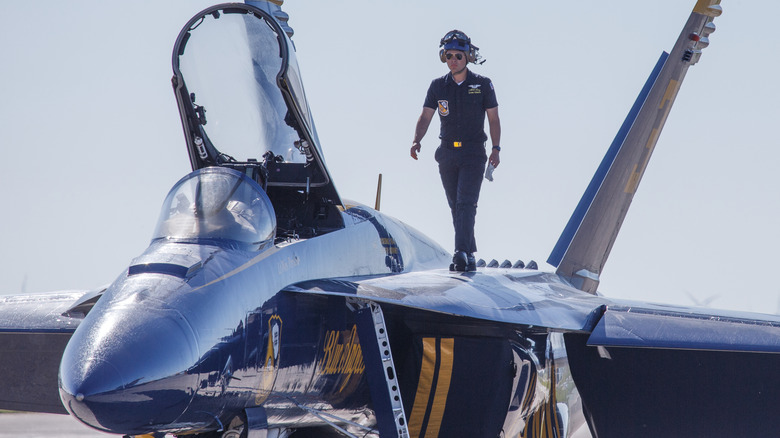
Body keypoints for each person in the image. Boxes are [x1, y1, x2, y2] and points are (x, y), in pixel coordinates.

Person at [410, 29, 501, 272]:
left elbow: (493, 119)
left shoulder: (482, 84)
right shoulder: (438, 86)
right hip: (447, 153)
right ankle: (469, 252)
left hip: (473, 154)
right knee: (455, 205)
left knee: (466, 204)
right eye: (448, 55)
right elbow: (426, 116)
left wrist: (496, 148)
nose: (453, 60)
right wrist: (416, 139)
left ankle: (460, 252)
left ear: (468, 57)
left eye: (458, 56)